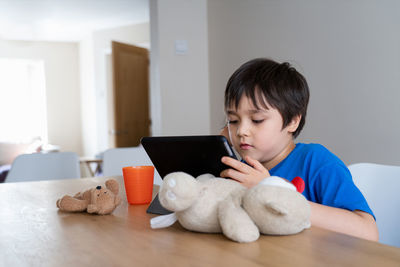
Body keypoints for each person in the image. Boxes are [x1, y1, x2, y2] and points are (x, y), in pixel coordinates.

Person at [219, 58, 378, 241]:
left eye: (257, 120)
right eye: (233, 121)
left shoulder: (316, 161)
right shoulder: (241, 170)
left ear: (293, 121)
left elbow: (368, 231)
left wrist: (270, 190)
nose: (241, 131)